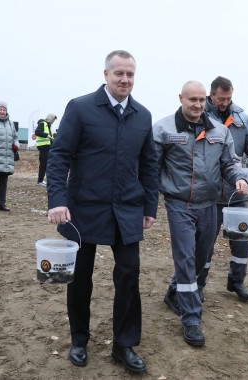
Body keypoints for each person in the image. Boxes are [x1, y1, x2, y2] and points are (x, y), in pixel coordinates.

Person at [46, 50, 158, 373]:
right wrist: (57, 200)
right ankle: (79, 339)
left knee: (129, 275)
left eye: (130, 75)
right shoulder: (81, 108)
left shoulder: (143, 116)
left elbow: (149, 165)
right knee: (79, 278)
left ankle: (124, 345)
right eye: (119, 74)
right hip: (82, 210)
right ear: (105, 74)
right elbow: (59, 156)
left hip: (126, 210)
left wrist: (149, 206)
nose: (125, 80)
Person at [153, 81, 248, 347]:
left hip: (210, 205)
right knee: (185, 258)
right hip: (179, 204)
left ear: (204, 100)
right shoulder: (163, 129)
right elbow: (151, 167)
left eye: (199, 100)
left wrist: (239, 178)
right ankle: (191, 319)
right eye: (190, 99)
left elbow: (230, 162)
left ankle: (174, 292)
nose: (196, 105)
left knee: (200, 258)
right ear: (181, 98)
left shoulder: (219, 131)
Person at [197, 76, 248, 302]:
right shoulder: (200, 115)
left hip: (238, 192)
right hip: (211, 194)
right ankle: (198, 284)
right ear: (211, 95)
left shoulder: (241, 116)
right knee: (206, 244)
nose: (225, 102)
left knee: (242, 240)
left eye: (229, 98)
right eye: (221, 98)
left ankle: (236, 282)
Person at [35, 113, 57, 186]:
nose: (53, 121)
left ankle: (45, 180)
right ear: (50, 118)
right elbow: (37, 132)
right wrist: (47, 135)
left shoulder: (49, 126)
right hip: (43, 147)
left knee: (46, 165)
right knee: (43, 165)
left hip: (48, 148)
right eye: (53, 119)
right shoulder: (43, 123)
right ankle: (40, 181)